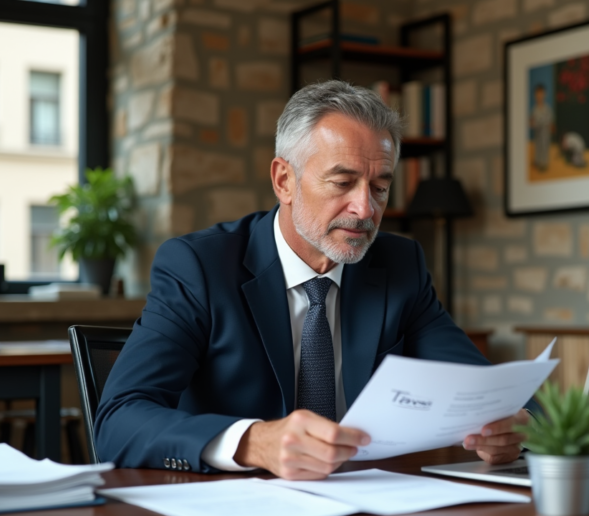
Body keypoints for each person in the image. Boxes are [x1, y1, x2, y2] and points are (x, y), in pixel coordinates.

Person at [95, 80, 531, 480]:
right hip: (233, 513)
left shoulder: (400, 265)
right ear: (284, 180)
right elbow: (118, 420)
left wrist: (514, 428)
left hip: (369, 503)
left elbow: (495, 393)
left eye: (380, 187)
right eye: (342, 182)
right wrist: (253, 442)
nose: (365, 209)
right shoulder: (199, 267)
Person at [529, 84, 554, 171]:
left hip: (545, 132)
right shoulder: (534, 109)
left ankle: (544, 163)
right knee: (538, 147)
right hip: (537, 133)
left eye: (541, 93)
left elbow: (549, 120)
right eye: (537, 94)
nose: (539, 96)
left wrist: (548, 126)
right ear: (535, 95)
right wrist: (532, 123)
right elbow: (532, 121)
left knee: (544, 147)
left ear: (545, 94)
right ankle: (537, 161)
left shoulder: (547, 108)